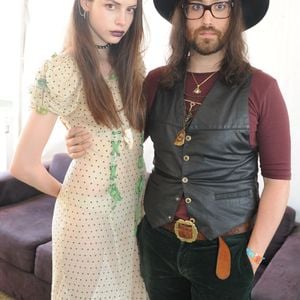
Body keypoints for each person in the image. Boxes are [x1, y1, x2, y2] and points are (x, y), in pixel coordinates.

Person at [66, 0, 291, 299]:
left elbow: (277, 180)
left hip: (225, 252)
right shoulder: (156, 81)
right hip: (157, 243)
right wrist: (74, 136)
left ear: (234, 15)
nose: (207, 18)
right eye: (196, 6)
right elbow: (119, 141)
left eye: (220, 6)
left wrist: (252, 256)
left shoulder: (263, 89)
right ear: (181, 15)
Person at [10, 0, 148, 299]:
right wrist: (74, 196)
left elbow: (132, 134)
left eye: (130, 9)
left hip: (131, 211)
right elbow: (23, 164)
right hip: (86, 218)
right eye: (111, 6)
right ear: (85, 3)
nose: (122, 19)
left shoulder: (131, 63)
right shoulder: (64, 68)